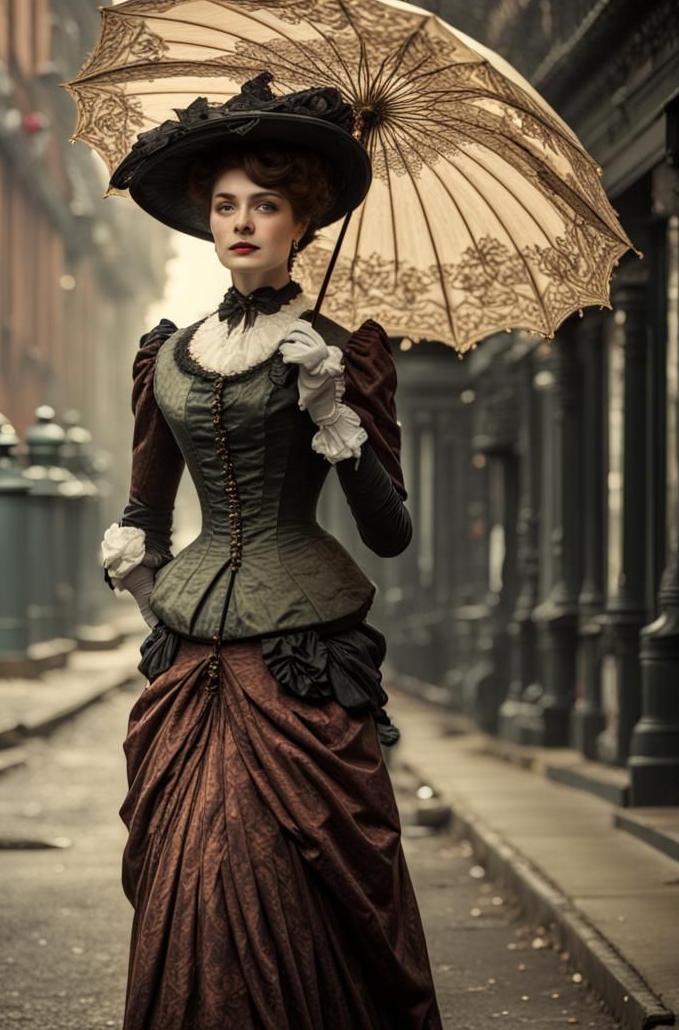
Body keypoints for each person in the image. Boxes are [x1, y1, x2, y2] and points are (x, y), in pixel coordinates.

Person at [100, 73, 443, 1030]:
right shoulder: (167, 355)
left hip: (299, 659)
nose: (242, 222)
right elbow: (145, 509)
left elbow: (390, 533)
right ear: (207, 221)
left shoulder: (345, 350)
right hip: (194, 652)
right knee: (188, 874)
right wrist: (135, 563)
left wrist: (335, 410)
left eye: (266, 204)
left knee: (293, 875)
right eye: (225, 206)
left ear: (304, 220)